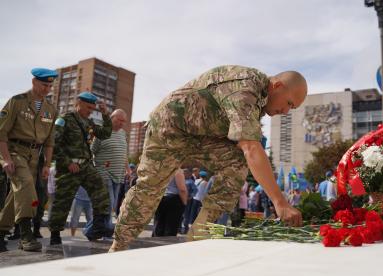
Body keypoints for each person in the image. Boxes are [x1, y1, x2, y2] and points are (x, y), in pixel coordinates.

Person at [110, 65, 307, 252]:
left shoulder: (260, 101)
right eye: (289, 103)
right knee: (149, 189)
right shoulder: (246, 88)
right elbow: (250, 147)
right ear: (277, 86)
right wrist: (280, 203)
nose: (286, 111)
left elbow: (241, 145)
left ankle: (197, 237)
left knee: (236, 163)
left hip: (202, 136)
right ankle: (118, 246)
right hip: (169, 130)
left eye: (292, 108)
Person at [0, 68, 58, 252]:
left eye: (49, 86)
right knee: (26, 189)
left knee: (17, 196)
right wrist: (5, 159)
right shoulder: (17, 101)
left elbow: (49, 142)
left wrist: (47, 165)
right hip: (15, 152)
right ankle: (25, 236)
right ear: (34, 82)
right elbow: (1, 132)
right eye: (43, 85)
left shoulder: (51, 110)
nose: (46, 89)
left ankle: (0, 233)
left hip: (35, 158)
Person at [48, 91, 112, 245]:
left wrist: (105, 115)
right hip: (69, 167)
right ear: (79, 104)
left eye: (92, 108)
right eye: (88, 107)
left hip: (85, 165)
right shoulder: (64, 120)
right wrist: (68, 163)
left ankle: (97, 227)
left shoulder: (89, 123)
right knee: (63, 201)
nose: (90, 111)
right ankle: (55, 235)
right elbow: (54, 144)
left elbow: (105, 133)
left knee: (101, 192)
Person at [91, 109, 129, 230]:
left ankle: (93, 231)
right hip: (104, 173)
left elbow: (124, 153)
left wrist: (128, 169)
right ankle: (105, 231)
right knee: (109, 204)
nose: (122, 123)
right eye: (119, 120)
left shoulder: (123, 133)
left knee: (109, 205)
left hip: (118, 176)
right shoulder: (102, 132)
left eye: (124, 121)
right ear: (111, 118)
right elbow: (92, 151)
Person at [152, 169, 187, 236]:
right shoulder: (177, 171)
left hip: (161, 197)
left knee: (158, 224)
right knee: (171, 227)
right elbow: (182, 189)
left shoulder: (161, 169)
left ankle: (155, 244)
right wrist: (184, 203)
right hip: (173, 200)